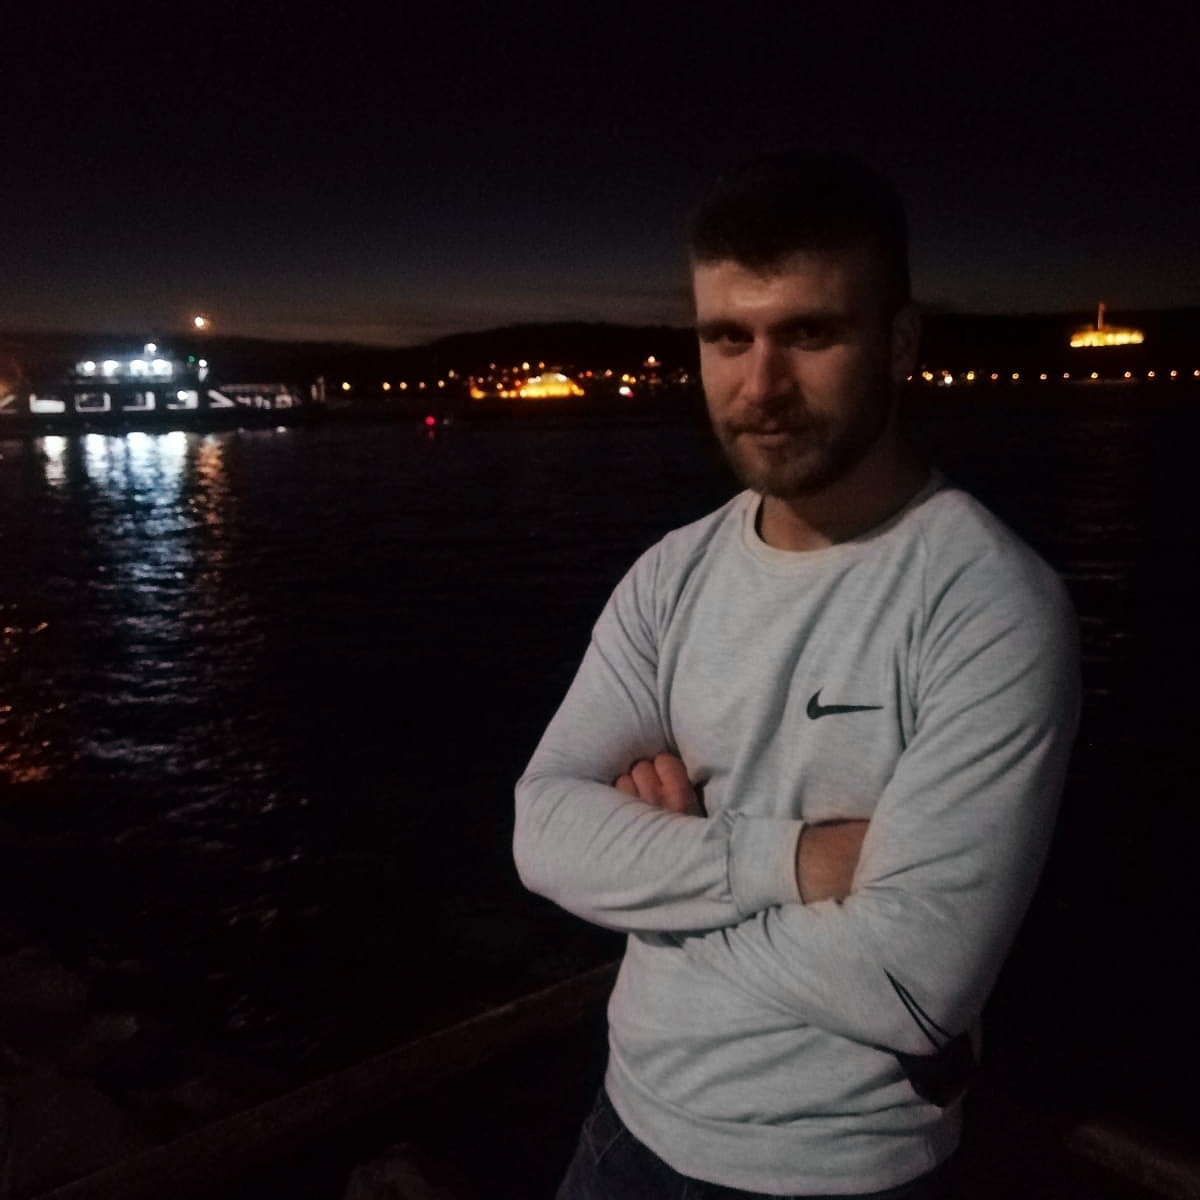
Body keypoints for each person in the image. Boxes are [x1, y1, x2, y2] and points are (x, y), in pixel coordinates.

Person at [513, 151, 1079, 1199]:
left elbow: (911, 983)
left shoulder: (986, 600)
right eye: (728, 337)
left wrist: (654, 885)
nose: (761, 386)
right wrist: (799, 861)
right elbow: (540, 830)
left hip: (842, 1171)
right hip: (623, 1129)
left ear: (898, 342)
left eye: (810, 335)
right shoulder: (671, 575)